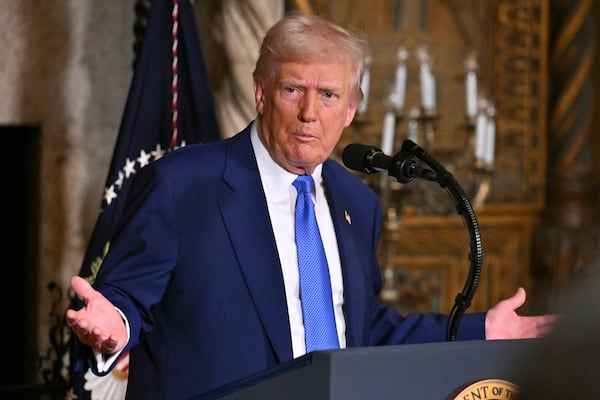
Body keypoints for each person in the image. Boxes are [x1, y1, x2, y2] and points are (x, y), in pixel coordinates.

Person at [66, 11, 554, 399]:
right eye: (293, 89)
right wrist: (115, 328)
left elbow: (360, 330)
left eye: (328, 94)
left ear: (351, 109)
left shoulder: (355, 203)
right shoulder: (182, 183)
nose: (309, 112)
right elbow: (125, 300)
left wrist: (481, 329)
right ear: (261, 93)